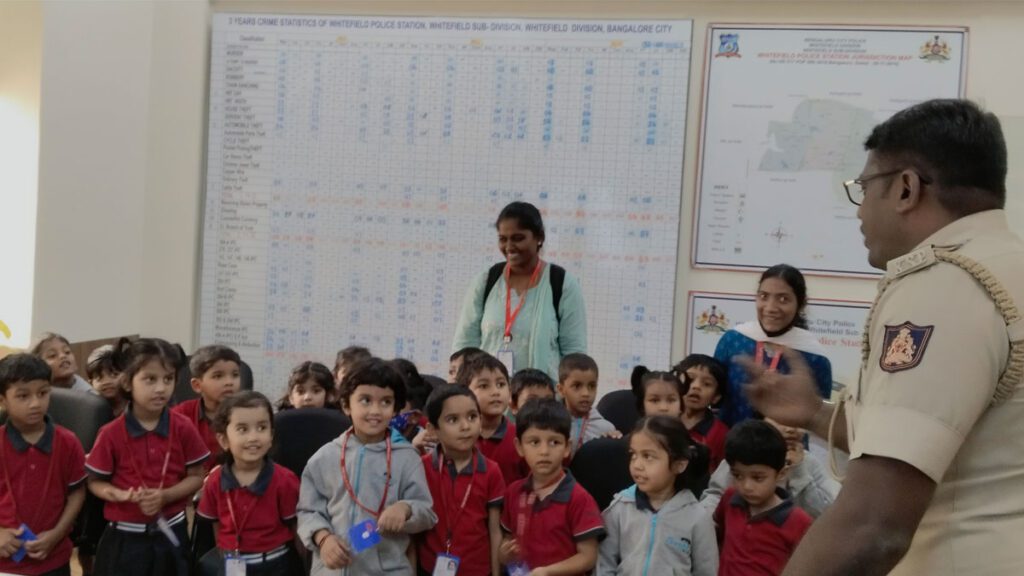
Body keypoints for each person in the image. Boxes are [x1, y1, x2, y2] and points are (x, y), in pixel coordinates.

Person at [741, 99, 1024, 575]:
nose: (859, 211)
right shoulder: (1009, 268)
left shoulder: (944, 284)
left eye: (863, 187)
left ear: (906, 189)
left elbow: (873, 524)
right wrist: (815, 413)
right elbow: (955, 440)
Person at [297, 357, 436, 575]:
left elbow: (426, 512)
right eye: (365, 400)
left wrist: (406, 508)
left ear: (396, 409)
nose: (375, 411)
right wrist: (323, 539)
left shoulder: (407, 458)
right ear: (345, 405)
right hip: (331, 570)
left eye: (385, 402)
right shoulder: (324, 458)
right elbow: (307, 510)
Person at [85, 337, 209, 576]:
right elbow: (95, 482)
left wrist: (166, 496)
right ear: (128, 383)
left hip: (170, 533)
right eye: (150, 379)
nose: (161, 388)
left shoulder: (182, 427)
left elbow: (196, 476)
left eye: (168, 379)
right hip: (124, 537)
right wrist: (119, 495)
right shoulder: (111, 433)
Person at [452, 201, 587, 381]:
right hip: (488, 402)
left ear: (539, 237)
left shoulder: (562, 284)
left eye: (518, 238)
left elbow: (574, 357)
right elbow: (464, 348)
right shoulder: (485, 281)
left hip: (542, 402)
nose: (509, 246)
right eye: (503, 239)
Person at [196, 391, 303, 575]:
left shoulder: (285, 480)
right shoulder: (215, 481)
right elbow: (215, 526)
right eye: (243, 429)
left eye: (261, 428)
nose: (253, 437)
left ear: (271, 435)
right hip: (231, 564)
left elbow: (295, 530)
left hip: (274, 564)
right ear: (223, 440)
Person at [0, 354, 87, 576]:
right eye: (23, 396)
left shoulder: (68, 442)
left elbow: (76, 493)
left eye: (43, 393)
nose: (35, 403)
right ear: (2, 400)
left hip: (53, 558)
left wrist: (57, 534)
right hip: (5, 561)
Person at [597, 416, 718, 576]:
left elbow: (706, 570)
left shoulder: (697, 518)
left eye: (648, 456)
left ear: (678, 465)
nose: (637, 465)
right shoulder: (620, 507)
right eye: (633, 454)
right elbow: (604, 564)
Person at [713, 265, 832, 426]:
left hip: (788, 447)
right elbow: (714, 397)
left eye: (783, 299)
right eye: (764, 296)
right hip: (729, 445)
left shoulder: (815, 357)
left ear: (801, 304)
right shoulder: (732, 340)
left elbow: (819, 419)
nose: (770, 308)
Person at [497, 398, 604, 576]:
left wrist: (548, 572)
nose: (544, 451)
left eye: (554, 442)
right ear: (519, 447)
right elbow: (508, 539)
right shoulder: (513, 492)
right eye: (534, 442)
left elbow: (588, 557)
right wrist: (503, 553)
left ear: (567, 447)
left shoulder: (579, 498)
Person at [417, 385, 505, 576]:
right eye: (453, 419)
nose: (465, 426)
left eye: (472, 417)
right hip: (430, 568)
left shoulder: (491, 470)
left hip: (477, 570)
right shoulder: (421, 468)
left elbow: (494, 529)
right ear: (433, 430)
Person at [713, 421, 811, 576]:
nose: (746, 486)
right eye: (738, 476)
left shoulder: (797, 521)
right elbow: (718, 536)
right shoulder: (730, 499)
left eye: (757, 478)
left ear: (781, 474)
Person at [700, 416, 839, 519]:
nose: (790, 429)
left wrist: (799, 471)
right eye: (781, 420)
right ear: (764, 419)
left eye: (798, 423)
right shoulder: (744, 452)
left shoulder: (809, 462)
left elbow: (826, 514)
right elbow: (715, 496)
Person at [172, 344, 241, 472]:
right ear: (197, 385)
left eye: (235, 375)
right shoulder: (180, 416)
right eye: (218, 376)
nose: (229, 382)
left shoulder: (248, 414)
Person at [458, 353, 525, 484]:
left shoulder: (520, 437)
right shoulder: (456, 436)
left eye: (501, 384)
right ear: (465, 392)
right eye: (484, 386)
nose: (495, 392)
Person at [674, 354, 730, 472]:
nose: (696, 387)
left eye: (707, 384)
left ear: (716, 397)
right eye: (690, 379)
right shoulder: (661, 421)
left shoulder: (722, 434)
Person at [558, 353, 619, 459]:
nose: (586, 393)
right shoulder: (550, 425)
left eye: (592, 386)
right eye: (577, 386)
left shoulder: (606, 429)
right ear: (561, 390)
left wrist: (613, 444)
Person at [87, 344, 126, 416]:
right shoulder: (91, 409)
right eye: (99, 378)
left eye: (114, 375)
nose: (106, 382)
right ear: (90, 383)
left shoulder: (136, 406)